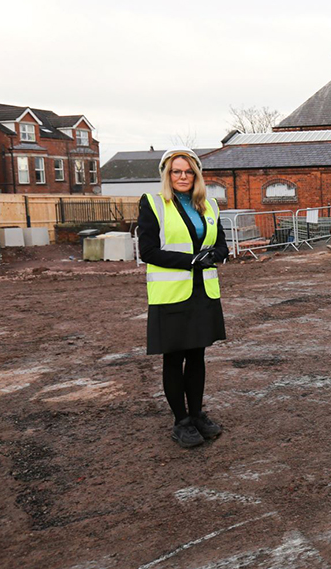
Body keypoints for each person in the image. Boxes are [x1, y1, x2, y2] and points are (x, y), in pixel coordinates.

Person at [138, 147, 229, 448]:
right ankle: (182, 421)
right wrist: (192, 260)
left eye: (188, 171)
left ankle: (197, 414)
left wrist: (212, 255)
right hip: (172, 293)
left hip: (203, 292)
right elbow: (148, 251)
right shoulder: (154, 204)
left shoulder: (210, 206)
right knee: (174, 358)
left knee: (198, 356)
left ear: (197, 175)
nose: (182, 176)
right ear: (167, 173)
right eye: (176, 171)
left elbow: (222, 248)